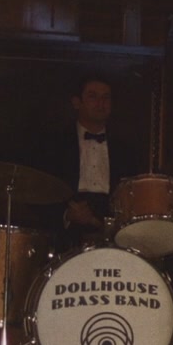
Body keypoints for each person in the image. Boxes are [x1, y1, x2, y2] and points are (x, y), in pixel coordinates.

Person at [23, 75, 143, 251]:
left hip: (112, 235)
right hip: (66, 235)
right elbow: (39, 193)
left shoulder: (126, 151)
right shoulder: (53, 145)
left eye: (106, 97)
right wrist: (67, 214)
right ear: (77, 102)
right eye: (93, 96)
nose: (100, 103)